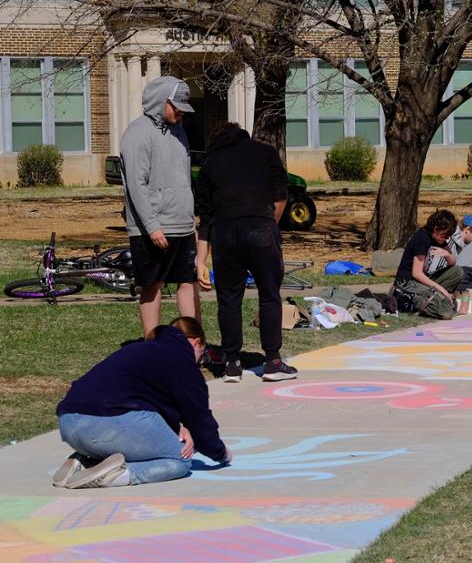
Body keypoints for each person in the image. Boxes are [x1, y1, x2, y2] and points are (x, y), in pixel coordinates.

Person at [52, 317, 231, 489]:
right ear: (196, 342)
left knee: (151, 444)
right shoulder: (182, 360)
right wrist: (220, 453)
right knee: (180, 459)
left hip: (68, 423)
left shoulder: (140, 350)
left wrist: (178, 428)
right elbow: (198, 418)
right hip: (105, 425)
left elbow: (143, 398)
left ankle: (85, 461)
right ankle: (119, 474)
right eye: (202, 354)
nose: (199, 361)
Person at [194, 122, 297, 383]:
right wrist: (269, 223)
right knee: (269, 294)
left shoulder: (209, 164)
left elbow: (205, 217)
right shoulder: (264, 152)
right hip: (260, 228)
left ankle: (231, 363)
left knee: (228, 298)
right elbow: (281, 195)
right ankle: (273, 362)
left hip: (224, 234)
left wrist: (201, 260)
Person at [119, 76, 203, 338]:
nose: (179, 113)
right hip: (151, 229)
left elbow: (183, 178)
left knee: (188, 283)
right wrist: (152, 226)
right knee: (152, 285)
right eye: (175, 107)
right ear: (161, 101)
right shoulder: (137, 133)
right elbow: (136, 184)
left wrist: (191, 222)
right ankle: (151, 346)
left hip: (183, 225)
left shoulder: (180, 131)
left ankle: (194, 345)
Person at [392, 209, 463, 320]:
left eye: (448, 236)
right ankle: (406, 299)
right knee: (446, 312)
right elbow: (417, 274)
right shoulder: (422, 239)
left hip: (422, 281)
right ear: (435, 229)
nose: (446, 238)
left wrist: (447, 254)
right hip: (407, 283)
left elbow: (452, 262)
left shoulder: (438, 238)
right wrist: (442, 291)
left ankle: (435, 297)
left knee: (458, 271)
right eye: (444, 235)